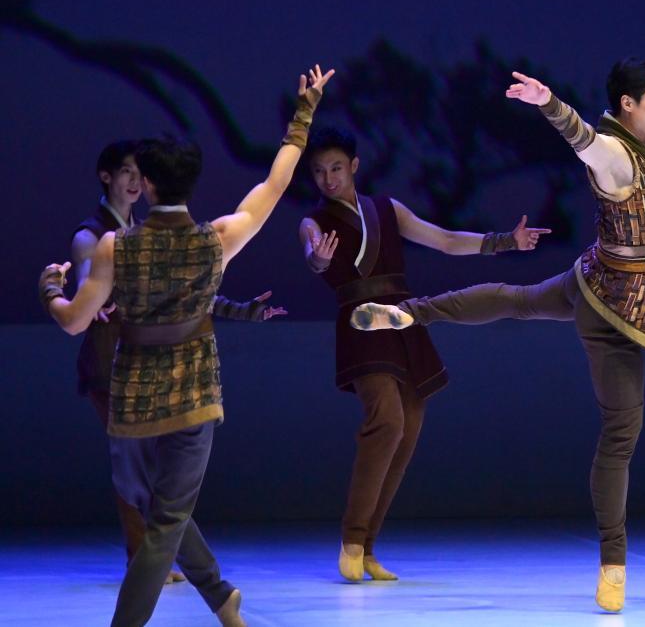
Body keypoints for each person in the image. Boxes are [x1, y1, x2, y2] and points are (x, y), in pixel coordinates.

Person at [352, 56, 645, 611]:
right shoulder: (614, 154)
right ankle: (613, 563)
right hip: (612, 312)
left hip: (593, 280)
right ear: (628, 105)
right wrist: (549, 105)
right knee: (621, 431)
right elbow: (583, 138)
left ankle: (411, 312)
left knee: (518, 301)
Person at [40, 64, 334, 626]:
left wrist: (49, 289)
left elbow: (74, 321)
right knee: (161, 510)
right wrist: (303, 115)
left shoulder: (114, 247)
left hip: (134, 394)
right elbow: (274, 185)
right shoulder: (217, 239)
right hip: (194, 391)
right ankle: (221, 596)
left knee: (161, 514)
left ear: (148, 185)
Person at [300, 126, 551, 582]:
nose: (328, 178)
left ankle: (367, 547)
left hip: (404, 317)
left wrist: (504, 241)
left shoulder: (386, 209)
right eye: (319, 171)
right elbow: (312, 254)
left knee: (408, 429)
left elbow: (446, 240)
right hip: (362, 323)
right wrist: (318, 258)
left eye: (336, 168)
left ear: (354, 166)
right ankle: (352, 540)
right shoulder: (313, 221)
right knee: (387, 421)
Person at [72, 141, 286, 584]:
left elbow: (185, 296)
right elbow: (85, 303)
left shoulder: (130, 238)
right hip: (118, 364)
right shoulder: (100, 238)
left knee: (151, 483)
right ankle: (154, 562)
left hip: (160, 370)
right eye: (125, 172)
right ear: (106, 177)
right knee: (141, 481)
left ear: (150, 184)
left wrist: (241, 310)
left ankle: (168, 567)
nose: (134, 181)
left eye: (139, 173)